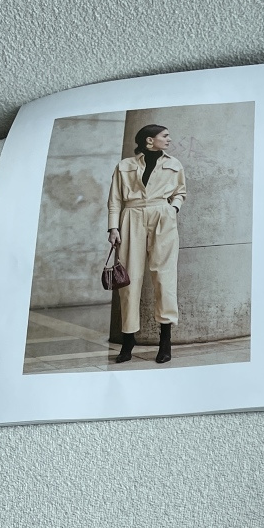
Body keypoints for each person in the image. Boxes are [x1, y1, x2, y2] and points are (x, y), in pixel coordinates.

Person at [106, 124, 187, 364]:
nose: (169, 139)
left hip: (162, 217)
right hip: (131, 216)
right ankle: (128, 340)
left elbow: (180, 192)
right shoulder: (124, 166)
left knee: (164, 277)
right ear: (149, 140)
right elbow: (115, 199)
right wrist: (113, 227)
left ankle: (165, 341)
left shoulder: (174, 164)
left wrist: (172, 209)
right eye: (165, 136)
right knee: (129, 279)